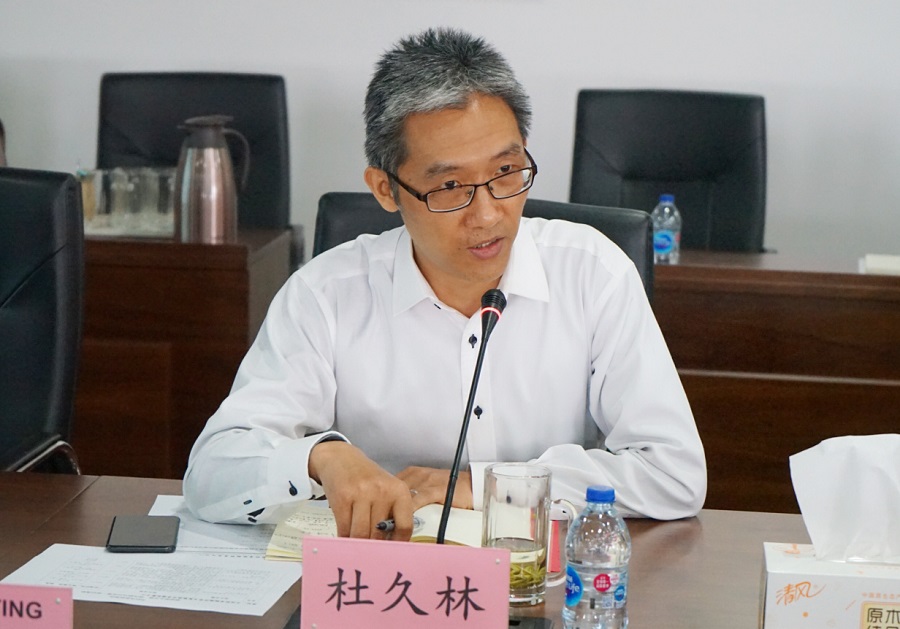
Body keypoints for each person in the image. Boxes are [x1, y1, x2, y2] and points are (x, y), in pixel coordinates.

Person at [183, 27, 706, 540]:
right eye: (451, 186)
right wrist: (321, 456)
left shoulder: (593, 272)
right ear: (385, 189)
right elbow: (210, 472)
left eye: (506, 171)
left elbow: (673, 473)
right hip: (386, 581)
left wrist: (485, 487)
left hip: (542, 578)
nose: (488, 214)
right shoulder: (325, 294)